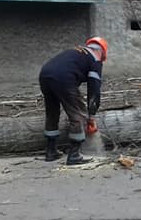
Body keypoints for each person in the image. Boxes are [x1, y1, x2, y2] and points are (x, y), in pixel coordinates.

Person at [38, 37, 107, 165]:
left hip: (45, 74)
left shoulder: (77, 53)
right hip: (64, 77)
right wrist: (91, 116)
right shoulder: (95, 59)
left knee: (52, 112)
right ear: (102, 52)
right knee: (78, 113)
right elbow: (94, 89)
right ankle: (74, 154)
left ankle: (50, 151)